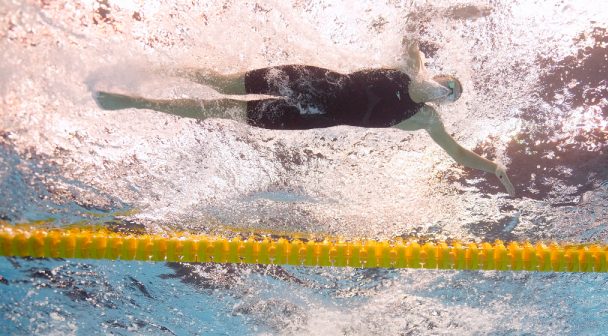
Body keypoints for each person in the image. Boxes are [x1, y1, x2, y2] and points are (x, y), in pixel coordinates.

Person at [94, 43, 515, 195]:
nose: (448, 93)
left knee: (220, 111)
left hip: (311, 117)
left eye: (452, 96)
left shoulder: (424, 120)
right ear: (438, 77)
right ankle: (157, 68)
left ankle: (139, 101)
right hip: (313, 82)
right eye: (449, 85)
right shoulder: (411, 67)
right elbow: (410, 36)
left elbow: (458, 152)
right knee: (223, 84)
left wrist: (493, 165)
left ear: (444, 104)